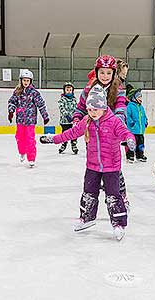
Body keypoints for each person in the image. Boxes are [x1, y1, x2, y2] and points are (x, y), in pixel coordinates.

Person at [40, 85, 136, 241]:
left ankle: (119, 224)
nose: (92, 113)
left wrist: (130, 140)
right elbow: (71, 133)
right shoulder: (87, 121)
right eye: (90, 110)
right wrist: (54, 139)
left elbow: (125, 133)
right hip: (92, 165)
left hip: (111, 167)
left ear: (104, 107)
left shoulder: (113, 122)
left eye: (95, 110)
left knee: (113, 196)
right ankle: (87, 217)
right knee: (89, 193)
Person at [73, 55, 130, 210]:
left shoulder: (118, 90)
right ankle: (91, 199)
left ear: (113, 74)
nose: (105, 76)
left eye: (108, 73)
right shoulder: (88, 90)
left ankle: (120, 197)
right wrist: (77, 119)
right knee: (94, 165)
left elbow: (120, 108)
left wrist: (118, 123)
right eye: (102, 72)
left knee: (113, 168)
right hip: (91, 133)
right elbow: (80, 108)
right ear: (96, 72)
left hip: (110, 134)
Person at [8, 69, 49, 167]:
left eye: (28, 80)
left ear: (30, 81)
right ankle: (22, 152)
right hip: (20, 120)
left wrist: (45, 116)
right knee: (19, 137)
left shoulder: (34, 93)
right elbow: (12, 102)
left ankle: (31, 158)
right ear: (21, 80)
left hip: (31, 120)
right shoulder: (17, 91)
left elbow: (41, 104)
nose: (26, 82)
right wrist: (11, 111)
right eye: (24, 80)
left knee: (30, 139)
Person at [126, 86, 148, 163]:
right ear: (133, 98)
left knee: (141, 144)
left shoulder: (141, 107)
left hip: (140, 130)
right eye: (139, 97)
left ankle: (140, 155)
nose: (140, 98)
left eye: (141, 97)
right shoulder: (130, 106)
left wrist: (146, 121)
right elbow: (128, 116)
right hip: (133, 129)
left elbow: (144, 115)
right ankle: (130, 156)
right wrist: (131, 122)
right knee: (132, 144)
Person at [58, 82, 78, 154]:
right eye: (67, 89)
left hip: (73, 120)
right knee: (65, 132)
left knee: (74, 132)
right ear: (64, 90)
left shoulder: (74, 99)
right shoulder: (62, 99)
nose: (69, 91)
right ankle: (64, 143)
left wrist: (76, 116)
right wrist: (66, 115)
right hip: (64, 121)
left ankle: (74, 143)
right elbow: (61, 108)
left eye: (70, 90)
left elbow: (76, 108)